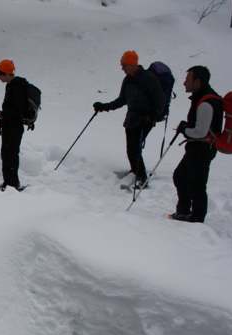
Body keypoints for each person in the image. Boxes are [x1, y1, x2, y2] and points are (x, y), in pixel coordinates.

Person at [93, 50, 165, 188]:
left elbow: (160, 100)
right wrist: (104, 107)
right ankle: (136, 171)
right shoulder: (128, 80)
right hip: (132, 118)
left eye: (124, 65)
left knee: (134, 147)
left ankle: (142, 178)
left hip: (145, 119)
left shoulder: (149, 78)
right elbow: (122, 100)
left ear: (132, 64)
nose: (122, 68)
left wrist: (153, 116)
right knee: (131, 148)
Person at [170, 66, 223, 223]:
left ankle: (196, 218)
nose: (184, 82)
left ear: (198, 82)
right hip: (199, 147)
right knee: (181, 176)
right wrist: (187, 126)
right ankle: (184, 211)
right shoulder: (203, 97)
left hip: (202, 149)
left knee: (197, 184)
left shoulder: (206, 102)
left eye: (188, 79)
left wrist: (184, 129)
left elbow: (200, 132)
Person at [0, 59, 28, 191]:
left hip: (14, 128)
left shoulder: (17, 87)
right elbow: (10, 110)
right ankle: (8, 182)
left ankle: (13, 184)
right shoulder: (11, 86)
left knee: (11, 155)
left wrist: (0, 114)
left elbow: (17, 112)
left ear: (7, 73)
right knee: (7, 155)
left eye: (0, 75)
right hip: (10, 126)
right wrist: (2, 120)